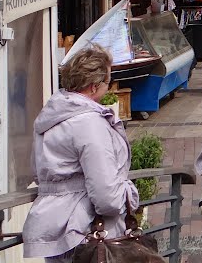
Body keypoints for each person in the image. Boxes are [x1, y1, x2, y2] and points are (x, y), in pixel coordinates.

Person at [22, 45, 139, 261]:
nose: (110, 87)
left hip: (52, 227)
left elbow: (38, 173)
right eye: (108, 82)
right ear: (94, 86)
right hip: (84, 229)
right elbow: (106, 196)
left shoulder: (50, 116)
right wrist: (128, 197)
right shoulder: (90, 123)